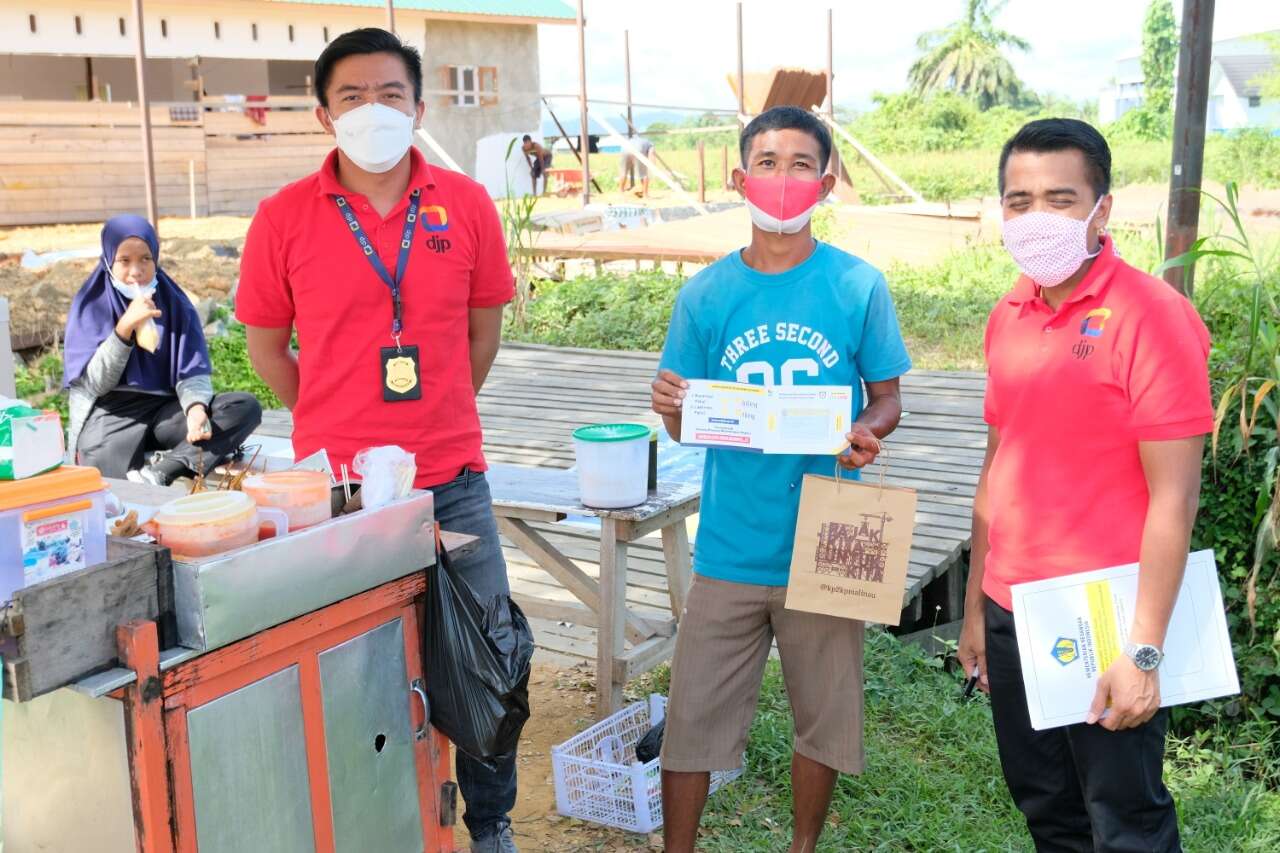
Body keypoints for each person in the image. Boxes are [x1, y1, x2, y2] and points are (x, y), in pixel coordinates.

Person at [234, 28, 520, 853]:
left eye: (390, 93)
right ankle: (373, 822)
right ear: (325, 115)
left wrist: (437, 413)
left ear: (419, 108)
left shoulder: (465, 205)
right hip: (340, 494)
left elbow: (483, 335)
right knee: (353, 665)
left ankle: (491, 823)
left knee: (488, 654)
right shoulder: (283, 217)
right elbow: (266, 348)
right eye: (352, 96)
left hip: (451, 477)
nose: (373, 109)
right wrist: (332, 419)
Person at [650, 106, 912, 853]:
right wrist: (671, 407)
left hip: (827, 535)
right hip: (730, 541)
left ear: (825, 184)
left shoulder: (857, 285)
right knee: (692, 716)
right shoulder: (706, 295)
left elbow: (887, 397)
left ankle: (802, 846)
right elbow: (687, 423)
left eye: (802, 164)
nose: (783, 178)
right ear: (741, 179)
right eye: (767, 162)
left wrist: (867, 430)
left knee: (823, 717)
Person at [956, 118, 1212, 852]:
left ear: (1102, 209)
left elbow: (1174, 499)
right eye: (1020, 200)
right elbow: (997, 468)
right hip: (1013, 608)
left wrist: (1144, 651)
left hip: (1109, 612)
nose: (1037, 216)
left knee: (1125, 820)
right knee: (1047, 807)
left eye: (1060, 198)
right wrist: (975, 608)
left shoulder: (1151, 316)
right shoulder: (1008, 312)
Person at [62, 215, 261, 484]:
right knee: (103, 477)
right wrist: (124, 329)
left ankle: (162, 471)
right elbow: (96, 383)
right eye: (124, 260)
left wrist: (195, 408)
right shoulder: (92, 304)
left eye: (145, 258)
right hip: (113, 414)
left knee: (243, 407)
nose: (136, 271)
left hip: (165, 412)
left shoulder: (174, 302)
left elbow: (191, 372)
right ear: (109, 260)